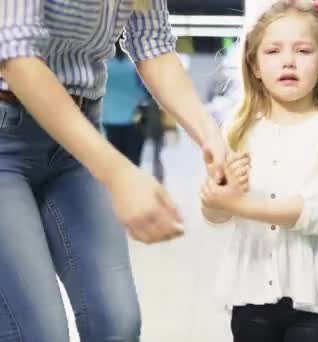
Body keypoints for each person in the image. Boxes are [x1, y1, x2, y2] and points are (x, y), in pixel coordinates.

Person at [0, 0, 226, 341]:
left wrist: (211, 136)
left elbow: (153, 44)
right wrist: (119, 174)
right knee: (39, 331)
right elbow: (16, 55)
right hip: (6, 132)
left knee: (117, 322)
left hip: (76, 136)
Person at [200, 1, 318, 341]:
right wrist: (215, 197)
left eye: (303, 50)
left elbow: (316, 213)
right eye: (273, 51)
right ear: (255, 66)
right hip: (251, 291)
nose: (288, 61)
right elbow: (216, 215)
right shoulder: (237, 131)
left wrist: (236, 203)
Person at [102, 42, 148, 165]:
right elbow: (146, 94)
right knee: (132, 164)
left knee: (112, 165)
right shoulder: (136, 68)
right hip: (133, 124)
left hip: (107, 123)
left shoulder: (103, 67)